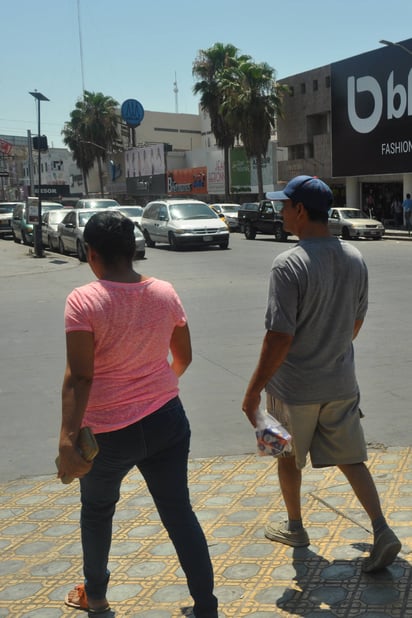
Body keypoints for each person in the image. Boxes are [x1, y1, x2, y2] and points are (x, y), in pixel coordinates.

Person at [57, 211, 218, 617]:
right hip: (167, 421)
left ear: (90, 253)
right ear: (133, 249)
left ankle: (95, 597)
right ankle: (205, 605)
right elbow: (183, 356)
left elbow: (80, 377)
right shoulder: (165, 292)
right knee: (179, 512)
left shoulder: (84, 300)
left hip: (109, 433)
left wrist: (66, 440)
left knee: (97, 512)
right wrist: (155, 390)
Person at [242, 175, 401, 573]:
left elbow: (278, 337)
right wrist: (332, 351)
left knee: (285, 454)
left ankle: (295, 527)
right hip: (341, 382)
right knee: (352, 460)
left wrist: (253, 392)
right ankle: (382, 530)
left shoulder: (288, 264)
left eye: (284, 206)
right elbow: (356, 322)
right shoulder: (354, 257)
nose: (280, 213)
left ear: (299, 210)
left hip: (294, 388)